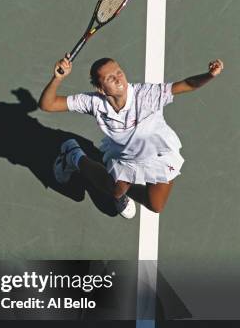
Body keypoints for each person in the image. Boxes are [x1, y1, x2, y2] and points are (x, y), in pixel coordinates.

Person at [38, 55, 224, 218]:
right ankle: (74, 156)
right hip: (126, 159)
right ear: (101, 88)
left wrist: (209, 75)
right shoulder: (94, 102)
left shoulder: (147, 95)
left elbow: (187, 84)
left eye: (119, 72)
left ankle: (123, 188)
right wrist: (57, 78)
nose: (118, 78)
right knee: (115, 191)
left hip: (159, 156)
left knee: (156, 205)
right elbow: (48, 105)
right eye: (110, 77)